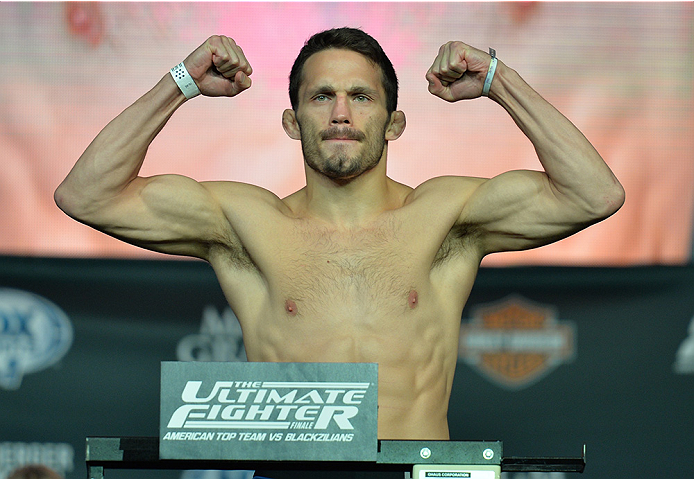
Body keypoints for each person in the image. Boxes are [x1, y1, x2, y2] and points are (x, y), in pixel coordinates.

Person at [54, 27, 624, 475]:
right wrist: (180, 82)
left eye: (361, 96)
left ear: (394, 122)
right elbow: (87, 195)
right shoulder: (247, 225)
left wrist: (499, 79)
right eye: (321, 96)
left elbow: (594, 194)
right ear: (291, 120)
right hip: (290, 477)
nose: (341, 114)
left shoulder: (445, 217)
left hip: (421, 471)